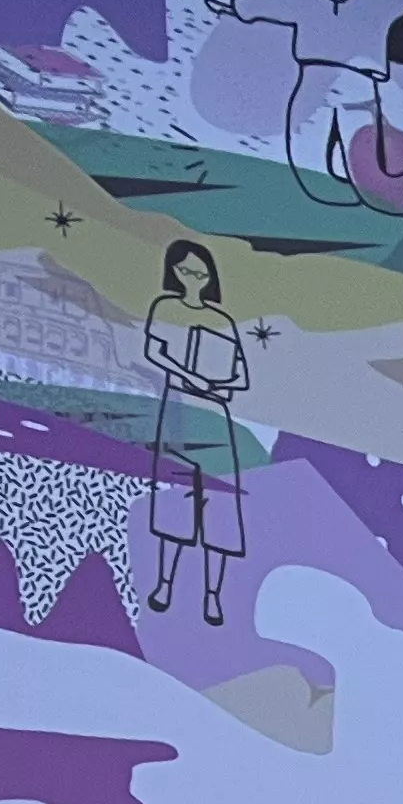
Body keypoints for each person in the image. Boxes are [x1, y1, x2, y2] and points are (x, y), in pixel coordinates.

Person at [143, 240, 254, 624]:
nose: (194, 279)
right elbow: (154, 352)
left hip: (215, 413)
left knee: (221, 506)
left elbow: (241, 374)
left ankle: (213, 596)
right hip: (179, 407)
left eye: (201, 273)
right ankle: (164, 585)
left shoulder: (221, 319)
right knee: (176, 500)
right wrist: (190, 375)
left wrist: (219, 386)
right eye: (186, 271)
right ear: (173, 272)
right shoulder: (165, 307)